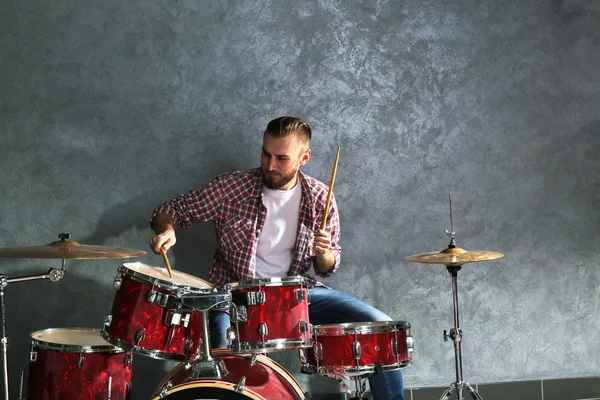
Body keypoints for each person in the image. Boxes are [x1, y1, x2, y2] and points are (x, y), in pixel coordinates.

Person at [149, 116, 405, 400]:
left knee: (382, 331)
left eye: (281, 158)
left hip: (295, 293)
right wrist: (167, 229)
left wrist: (325, 255)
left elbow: (327, 268)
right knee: (221, 356)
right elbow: (172, 208)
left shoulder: (321, 198)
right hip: (233, 295)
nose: (270, 165)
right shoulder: (232, 187)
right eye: (266, 154)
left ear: (304, 157)